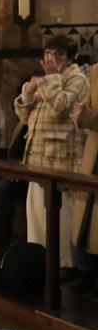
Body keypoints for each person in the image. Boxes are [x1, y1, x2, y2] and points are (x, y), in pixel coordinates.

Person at [15, 35, 89, 276]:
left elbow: (61, 107)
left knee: (60, 215)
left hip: (61, 157)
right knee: (37, 215)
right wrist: (27, 93)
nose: (47, 59)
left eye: (53, 54)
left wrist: (51, 80)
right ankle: (40, 261)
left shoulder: (77, 80)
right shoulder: (48, 80)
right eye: (46, 53)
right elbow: (26, 116)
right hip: (38, 155)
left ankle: (64, 265)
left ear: (66, 57)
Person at [69, 67, 98, 293]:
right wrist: (80, 115)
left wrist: (88, 117)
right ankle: (86, 273)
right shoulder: (97, 71)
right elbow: (87, 105)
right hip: (94, 153)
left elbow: (90, 114)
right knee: (85, 219)